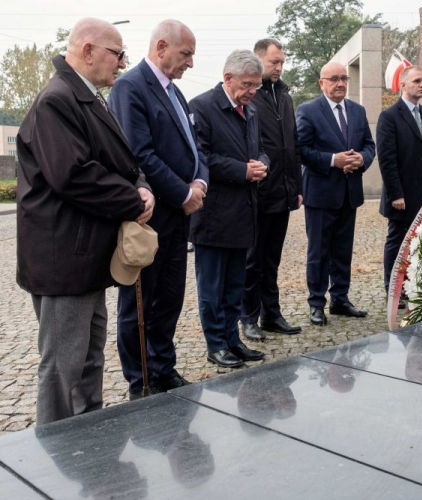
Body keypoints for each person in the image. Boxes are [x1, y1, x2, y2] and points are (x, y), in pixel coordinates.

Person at [16, 18, 154, 424]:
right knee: (62, 368)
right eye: (117, 53)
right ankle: (53, 455)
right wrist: (133, 199)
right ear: (88, 49)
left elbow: (123, 161)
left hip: (86, 257)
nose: (123, 63)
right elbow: (73, 175)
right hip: (62, 260)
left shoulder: (88, 97)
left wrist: (142, 187)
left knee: (90, 359)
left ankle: (88, 439)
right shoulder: (57, 99)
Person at [109, 19, 208, 399]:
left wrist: (199, 183)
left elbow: (194, 147)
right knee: (140, 303)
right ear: (162, 47)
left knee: (169, 298)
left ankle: (164, 368)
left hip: (179, 216)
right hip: (152, 217)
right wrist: (183, 193)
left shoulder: (175, 93)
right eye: (186, 54)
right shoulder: (131, 86)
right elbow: (140, 155)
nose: (191, 64)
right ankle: (141, 379)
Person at [188, 50, 269, 368]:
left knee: (235, 284)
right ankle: (215, 344)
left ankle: (233, 340)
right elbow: (201, 158)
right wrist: (242, 171)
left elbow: (261, 150)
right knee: (212, 286)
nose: (252, 92)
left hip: (244, 213)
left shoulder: (251, 112)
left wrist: (262, 165)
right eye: (248, 85)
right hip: (213, 215)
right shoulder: (202, 107)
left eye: (256, 86)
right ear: (228, 78)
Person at [296, 62, 376, 326]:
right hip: (320, 194)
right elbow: (301, 150)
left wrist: (361, 160)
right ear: (322, 82)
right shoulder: (308, 110)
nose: (340, 83)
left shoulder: (357, 110)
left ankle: (340, 299)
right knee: (319, 252)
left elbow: (368, 144)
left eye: (344, 78)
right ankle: (316, 303)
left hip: (349, 192)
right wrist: (333, 160)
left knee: (343, 250)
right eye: (334, 79)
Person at [239, 39, 303, 341]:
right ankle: (248, 317)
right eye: (274, 62)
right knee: (253, 260)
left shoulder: (285, 96)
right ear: (259, 59)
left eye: (281, 62)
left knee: (272, 260)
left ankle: (271, 314)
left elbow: (292, 143)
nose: (279, 67)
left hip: (283, 191)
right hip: (258, 192)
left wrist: (297, 186)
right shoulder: (249, 96)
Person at [376, 66, 422, 307]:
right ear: (403, 85)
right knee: (397, 241)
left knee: (421, 241)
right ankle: (393, 289)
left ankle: (415, 284)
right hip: (402, 196)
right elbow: (386, 158)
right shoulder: (389, 116)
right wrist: (396, 193)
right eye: (417, 80)